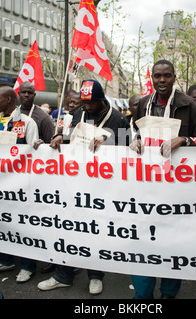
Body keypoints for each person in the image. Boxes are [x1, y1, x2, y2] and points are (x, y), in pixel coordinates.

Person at [37, 79, 131, 295]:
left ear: (101, 100)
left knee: (96, 232)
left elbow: (127, 150)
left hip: (102, 187)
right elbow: (66, 136)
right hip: (73, 184)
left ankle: (96, 275)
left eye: (91, 103)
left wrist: (108, 142)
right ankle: (63, 275)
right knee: (67, 229)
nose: (87, 107)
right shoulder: (78, 114)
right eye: (84, 103)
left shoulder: (118, 119)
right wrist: (59, 136)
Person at [129, 60, 196, 299]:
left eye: (167, 76)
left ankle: (169, 293)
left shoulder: (188, 104)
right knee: (143, 241)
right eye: (157, 76)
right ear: (152, 78)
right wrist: (134, 140)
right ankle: (143, 296)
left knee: (171, 244)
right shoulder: (144, 103)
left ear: (175, 77)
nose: (162, 80)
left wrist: (184, 140)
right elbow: (136, 131)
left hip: (176, 189)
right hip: (146, 187)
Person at [0, 86, 39, 283]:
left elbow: (34, 155)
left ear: (8, 99)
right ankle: (4, 260)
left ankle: (27, 266)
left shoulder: (27, 123)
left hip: (20, 185)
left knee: (22, 227)